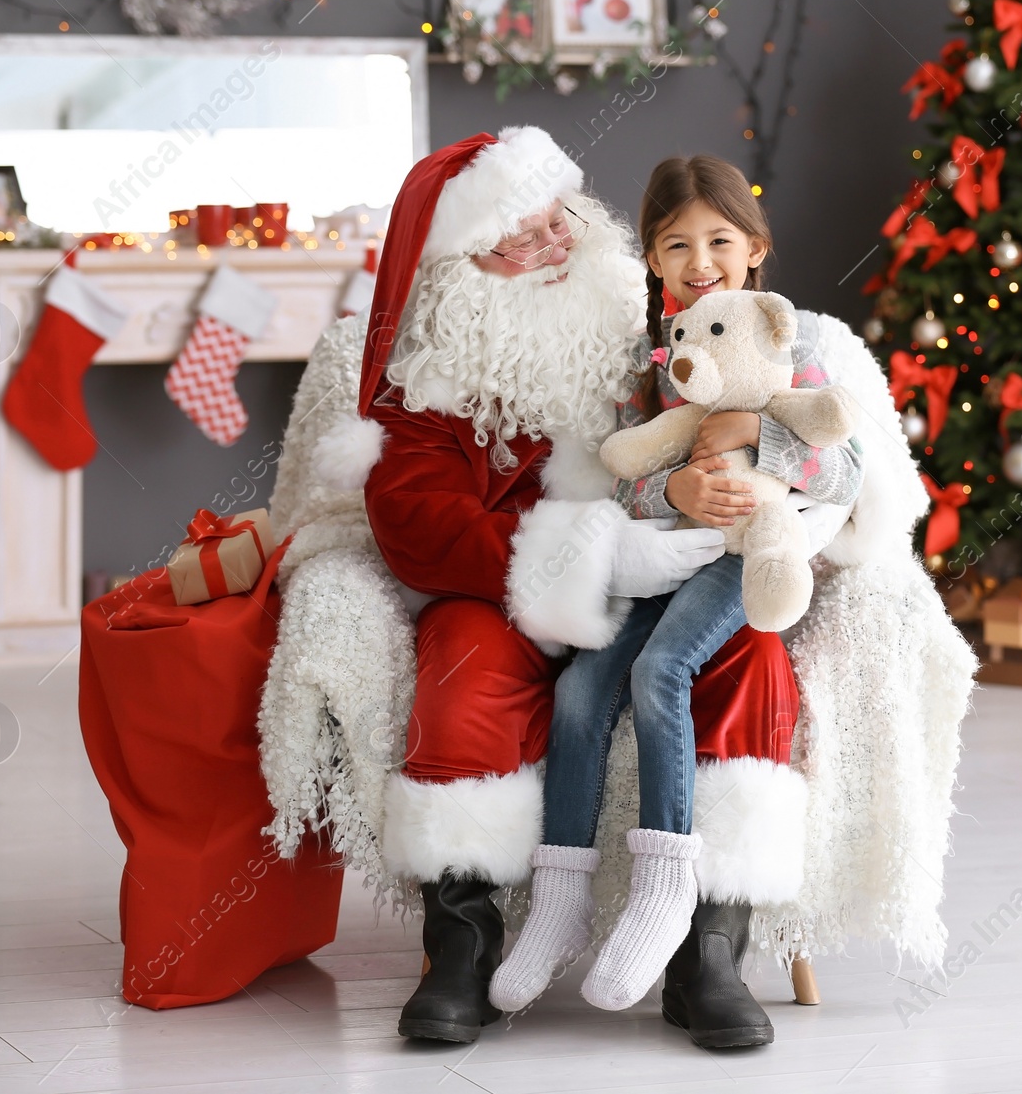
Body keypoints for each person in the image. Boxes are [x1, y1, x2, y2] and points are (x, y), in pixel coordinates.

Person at [290, 128, 811, 1046]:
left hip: (674, 578)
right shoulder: (428, 377)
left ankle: (710, 947)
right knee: (461, 663)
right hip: (507, 593)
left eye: (558, 221)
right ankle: (464, 938)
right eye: (512, 237)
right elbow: (416, 526)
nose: (549, 244)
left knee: (750, 654)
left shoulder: (663, 331)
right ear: (457, 267)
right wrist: (591, 555)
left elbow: (775, 427)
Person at [488, 155, 861, 1028]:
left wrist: (752, 444)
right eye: (677, 243)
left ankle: (666, 889)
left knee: (661, 673)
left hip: (746, 552)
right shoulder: (652, 358)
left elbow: (841, 467)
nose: (701, 260)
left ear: (755, 248)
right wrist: (675, 491)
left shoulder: (791, 338)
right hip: (664, 553)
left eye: (720, 240)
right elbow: (623, 471)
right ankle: (560, 899)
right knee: (581, 684)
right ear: (652, 260)